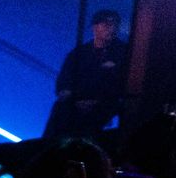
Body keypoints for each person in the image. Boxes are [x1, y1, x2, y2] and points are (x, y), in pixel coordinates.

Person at [46, 9, 129, 138]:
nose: (111, 29)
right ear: (95, 27)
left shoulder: (123, 52)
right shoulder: (79, 53)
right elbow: (63, 81)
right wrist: (71, 96)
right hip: (76, 101)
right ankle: (50, 147)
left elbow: (123, 83)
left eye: (115, 25)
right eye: (107, 24)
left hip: (104, 103)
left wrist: (96, 101)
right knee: (61, 110)